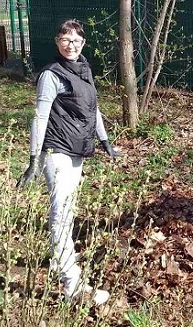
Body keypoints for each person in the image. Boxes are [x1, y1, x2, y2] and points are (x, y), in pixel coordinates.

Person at [17, 19, 120, 305]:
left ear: (83, 43)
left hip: (78, 150)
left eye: (76, 40)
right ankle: (72, 287)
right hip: (56, 151)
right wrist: (34, 159)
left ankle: (59, 260)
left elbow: (93, 108)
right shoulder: (51, 75)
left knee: (69, 209)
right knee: (61, 213)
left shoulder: (84, 68)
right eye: (65, 40)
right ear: (57, 42)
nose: (71, 45)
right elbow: (40, 116)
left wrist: (105, 141)